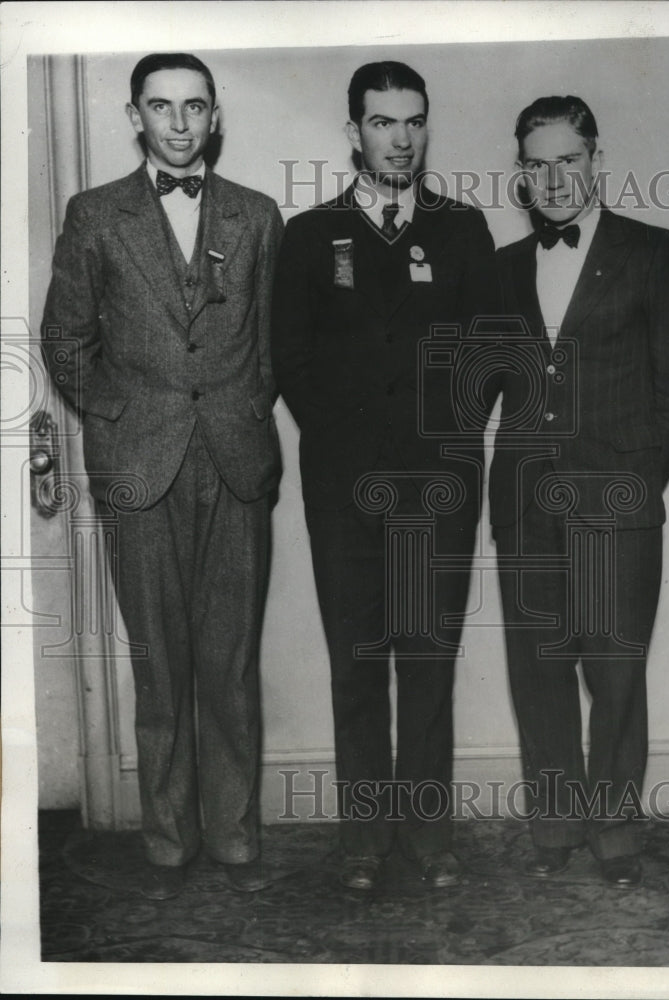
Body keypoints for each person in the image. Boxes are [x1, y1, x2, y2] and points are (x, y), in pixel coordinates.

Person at [42, 53, 283, 900]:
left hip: (236, 462)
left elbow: (271, 341)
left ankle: (235, 833)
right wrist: (115, 418)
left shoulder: (255, 215)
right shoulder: (96, 215)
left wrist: (243, 409)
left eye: (194, 108)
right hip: (138, 465)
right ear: (135, 116)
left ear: (214, 116)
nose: (179, 124)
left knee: (229, 660)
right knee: (160, 661)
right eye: (161, 107)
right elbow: (65, 338)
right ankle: (169, 837)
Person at [272, 61, 495, 890]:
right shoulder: (309, 235)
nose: (399, 139)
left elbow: (488, 352)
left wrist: (443, 442)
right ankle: (363, 841)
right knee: (356, 659)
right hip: (345, 489)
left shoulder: (463, 230)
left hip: (439, 486)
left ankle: (429, 839)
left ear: (426, 125)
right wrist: (358, 443)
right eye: (381, 122)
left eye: (413, 121)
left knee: (429, 657)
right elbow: (290, 358)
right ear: (353, 130)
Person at [489, 96, 669, 888]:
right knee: (539, 667)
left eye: (568, 160)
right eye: (537, 163)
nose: (553, 178)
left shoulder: (654, 251)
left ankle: (615, 831)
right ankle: (553, 823)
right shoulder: (504, 268)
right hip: (524, 504)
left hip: (615, 502)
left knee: (614, 670)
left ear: (595, 161)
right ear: (521, 174)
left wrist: (633, 478)